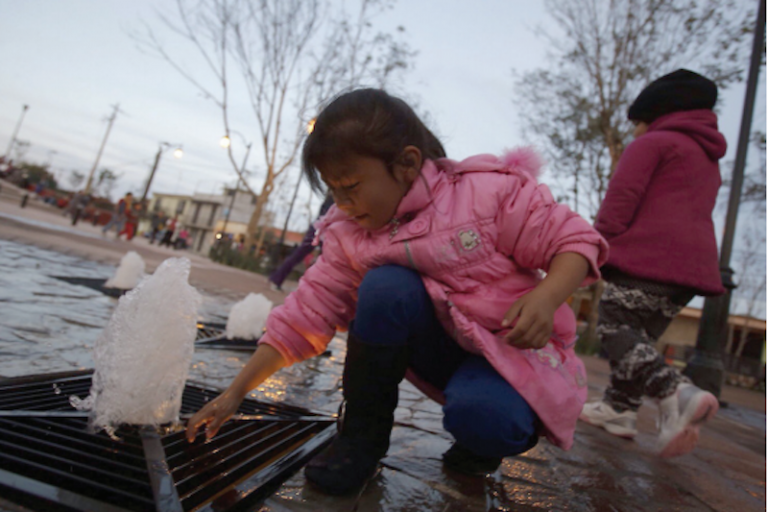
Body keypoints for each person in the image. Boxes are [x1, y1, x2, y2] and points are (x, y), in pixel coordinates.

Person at [186, 89, 608, 496]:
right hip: (442, 348)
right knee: (386, 285)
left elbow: (573, 240)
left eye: (350, 186)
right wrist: (235, 393)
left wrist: (548, 296)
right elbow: (305, 314)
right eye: (333, 190)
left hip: (512, 353)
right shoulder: (349, 234)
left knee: (487, 420)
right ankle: (360, 442)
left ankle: (483, 444)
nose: (342, 203)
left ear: (407, 163)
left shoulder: (485, 193)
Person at [579, 70, 723, 458]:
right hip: (690, 271)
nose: (636, 131)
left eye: (638, 122)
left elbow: (622, 197)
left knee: (615, 323)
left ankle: (675, 392)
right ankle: (618, 409)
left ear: (657, 115)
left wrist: (596, 244)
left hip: (649, 257)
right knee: (637, 337)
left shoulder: (653, 143)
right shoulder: (706, 158)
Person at [268, 194, 335, 291]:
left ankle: (277, 278)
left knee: (300, 255)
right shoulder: (336, 197)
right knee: (320, 259)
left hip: (320, 228)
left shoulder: (332, 196)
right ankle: (277, 278)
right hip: (321, 229)